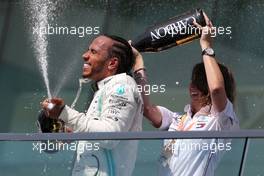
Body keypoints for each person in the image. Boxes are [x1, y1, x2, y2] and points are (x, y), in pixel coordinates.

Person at [131, 13, 239, 176]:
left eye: (201, 83)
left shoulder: (220, 121)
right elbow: (146, 108)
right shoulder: (175, 119)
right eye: (194, 81)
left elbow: (216, 89)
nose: (193, 87)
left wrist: (206, 45)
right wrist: (137, 63)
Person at [41, 35, 143, 176]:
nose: (85, 55)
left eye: (93, 52)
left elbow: (110, 136)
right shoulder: (106, 88)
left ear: (112, 63)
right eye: (88, 50)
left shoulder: (122, 86)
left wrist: (64, 113)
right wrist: (65, 131)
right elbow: (98, 132)